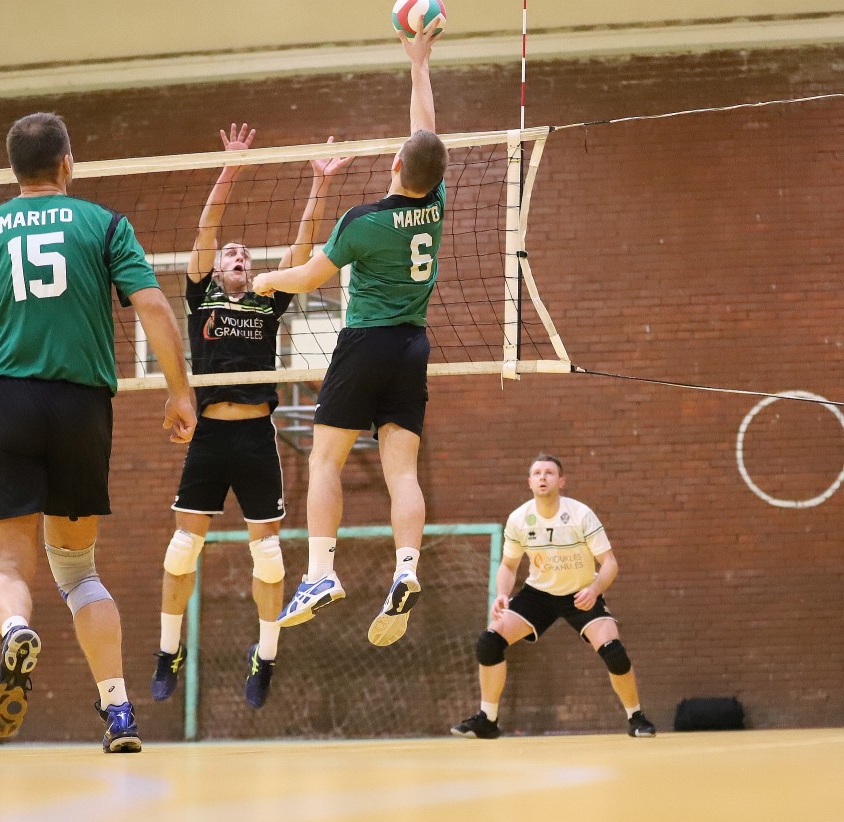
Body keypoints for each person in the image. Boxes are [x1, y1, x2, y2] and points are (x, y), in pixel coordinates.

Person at [0, 112, 196, 753]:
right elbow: (153, 305)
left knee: (6, 564)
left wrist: (10, 339)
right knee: (79, 571)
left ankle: (17, 629)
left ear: (13, 170)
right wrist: (179, 391)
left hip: (6, 399)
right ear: (66, 163)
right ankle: (119, 712)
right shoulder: (104, 224)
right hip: (82, 405)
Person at [251, 16, 447, 647]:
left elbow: (310, 277)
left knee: (325, 460)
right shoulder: (435, 205)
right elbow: (425, 133)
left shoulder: (363, 222)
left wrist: (265, 281)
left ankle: (320, 573)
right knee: (403, 473)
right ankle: (407, 568)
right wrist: (419, 63)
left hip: (365, 343)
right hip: (412, 346)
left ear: (395, 163)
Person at [152, 124, 351, 709]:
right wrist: (230, 170)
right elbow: (206, 228)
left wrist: (319, 184)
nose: (238, 255)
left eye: (244, 253)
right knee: (181, 550)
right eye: (229, 255)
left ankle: (265, 657)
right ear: (216, 270)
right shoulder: (201, 296)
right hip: (211, 435)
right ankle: (168, 651)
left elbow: (305, 245)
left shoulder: (268, 295)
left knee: (267, 555)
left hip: (257, 437)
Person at [451, 454, 656, 739]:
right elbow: (508, 566)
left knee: (614, 652)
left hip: (581, 592)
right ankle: (487, 719)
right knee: (489, 642)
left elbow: (610, 563)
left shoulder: (580, 514)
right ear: (529, 482)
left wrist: (595, 589)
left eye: (549, 473)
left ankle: (637, 717)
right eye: (537, 473)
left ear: (561, 481)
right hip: (539, 595)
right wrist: (502, 594)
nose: (543, 477)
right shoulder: (519, 519)